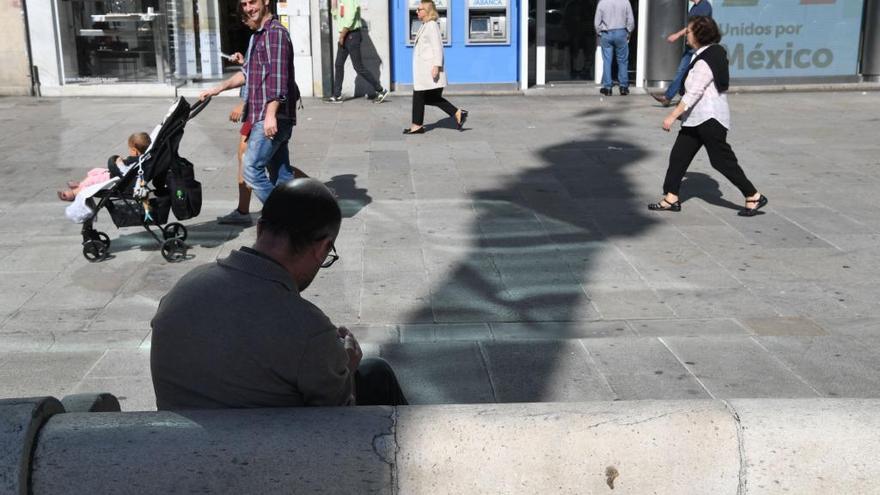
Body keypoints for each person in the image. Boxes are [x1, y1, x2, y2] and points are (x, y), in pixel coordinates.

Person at [151, 178, 408, 410]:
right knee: (375, 374)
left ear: (260, 229)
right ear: (322, 247)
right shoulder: (308, 330)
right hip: (263, 457)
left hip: (175, 446)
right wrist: (347, 369)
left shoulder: (184, 287)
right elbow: (338, 425)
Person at [649, 16, 767, 217]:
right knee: (679, 156)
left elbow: (694, 92)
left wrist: (672, 115)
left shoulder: (706, 60)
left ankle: (753, 195)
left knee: (721, 160)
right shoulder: (707, 54)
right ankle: (671, 197)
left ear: (699, 35)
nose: (687, 35)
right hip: (696, 118)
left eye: (690, 31)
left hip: (709, 119)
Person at [199, 0, 303, 205]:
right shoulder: (258, 35)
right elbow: (247, 73)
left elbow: (278, 77)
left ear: (265, 1)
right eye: (244, 4)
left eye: (252, 2)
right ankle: (298, 216)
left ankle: (284, 215)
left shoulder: (275, 33)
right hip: (262, 114)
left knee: (251, 168)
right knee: (281, 175)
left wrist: (271, 114)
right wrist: (218, 89)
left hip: (271, 116)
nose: (248, 8)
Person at [404, 0, 467, 135]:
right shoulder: (425, 25)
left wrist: (437, 66)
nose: (417, 11)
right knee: (428, 98)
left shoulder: (432, 25)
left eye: (419, 9)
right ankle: (457, 113)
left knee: (420, 96)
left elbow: (438, 47)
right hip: (423, 69)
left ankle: (417, 126)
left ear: (427, 11)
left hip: (428, 69)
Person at [217, 50, 256, 226]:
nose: (244, 21)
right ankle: (242, 211)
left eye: (246, 19)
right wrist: (244, 61)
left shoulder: (269, 35)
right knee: (248, 158)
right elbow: (253, 69)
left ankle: (316, 191)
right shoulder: (257, 36)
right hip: (256, 111)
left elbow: (265, 77)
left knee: (252, 160)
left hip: (259, 111)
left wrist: (244, 103)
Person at [326, 0, 389, 103]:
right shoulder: (341, 2)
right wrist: (334, 4)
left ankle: (380, 90)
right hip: (344, 35)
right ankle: (337, 95)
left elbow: (350, 18)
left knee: (358, 67)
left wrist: (342, 35)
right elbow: (337, 17)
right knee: (338, 64)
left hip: (351, 35)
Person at [57, 132, 150, 201]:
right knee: (95, 172)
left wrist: (119, 163)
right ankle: (81, 183)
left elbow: (125, 172)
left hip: (115, 180)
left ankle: (72, 193)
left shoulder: (136, 162)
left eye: (130, 149)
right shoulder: (141, 160)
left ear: (135, 150)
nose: (129, 151)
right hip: (113, 175)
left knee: (92, 180)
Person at [652, 0, 712, 107]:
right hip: (691, 45)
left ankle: (674, 98)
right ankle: (669, 97)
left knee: (690, 72)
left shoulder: (704, 6)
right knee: (683, 71)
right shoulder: (694, 7)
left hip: (698, 44)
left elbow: (694, 26)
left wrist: (677, 35)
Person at [594, 0, 634, 96]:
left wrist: (600, 32)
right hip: (621, 32)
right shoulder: (625, 2)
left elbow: (597, 22)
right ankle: (623, 87)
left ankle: (607, 88)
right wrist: (628, 31)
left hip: (606, 33)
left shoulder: (602, 2)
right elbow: (631, 20)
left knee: (607, 60)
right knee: (622, 60)